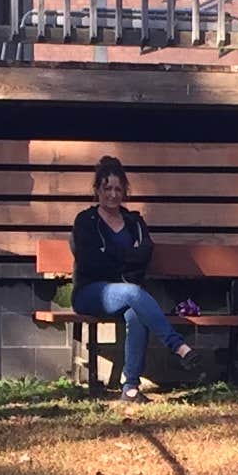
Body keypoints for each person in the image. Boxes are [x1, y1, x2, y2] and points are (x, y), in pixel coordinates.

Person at [66, 156, 193, 401]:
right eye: (107, 188)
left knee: (135, 311)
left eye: (118, 189)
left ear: (124, 190)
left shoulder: (135, 222)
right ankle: (178, 346)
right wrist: (127, 256)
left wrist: (112, 256)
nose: (113, 194)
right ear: (97, 190)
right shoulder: (86, 221)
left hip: (126, 294)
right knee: (134, 293)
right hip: (90, 293)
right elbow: (90, 262)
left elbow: (144, 254)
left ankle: (131, 388)